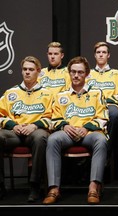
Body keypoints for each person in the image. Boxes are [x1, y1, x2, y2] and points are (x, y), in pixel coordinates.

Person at [43, 56, 109, 205]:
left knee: (101, 140)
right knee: (52, 139)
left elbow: (103, 117)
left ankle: (94, 187)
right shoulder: (61, 95)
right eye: (73, 72)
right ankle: (54, 189)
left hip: (89, 134)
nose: (76, 75)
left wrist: (86, 128)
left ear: (86, 74)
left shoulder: (97, 93)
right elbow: (54, 119)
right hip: (68, 133)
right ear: (69, 73)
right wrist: (65, 126)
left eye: (80, 72)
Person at [0, 56, 53, 202]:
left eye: (31, 69)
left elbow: (53, 118)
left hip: (34, 132)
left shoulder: (48, 94)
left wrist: (34, 125)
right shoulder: (11, 93)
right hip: (14, 133)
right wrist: (14, 125)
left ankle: (35, 185)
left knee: (40, 137)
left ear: (38, 72)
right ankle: (0, 186)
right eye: (25, 69)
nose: (27, 72)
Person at [85, 42, 118, 140]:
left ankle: (111, 145)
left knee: (114, 114)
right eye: (98, 52)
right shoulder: (88, 74)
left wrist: (107, 102)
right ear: (95, 55)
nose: (101, 55)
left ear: (108, 55)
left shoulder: (116, 73)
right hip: (92, 105)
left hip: (110, 105)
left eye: (104, 52)